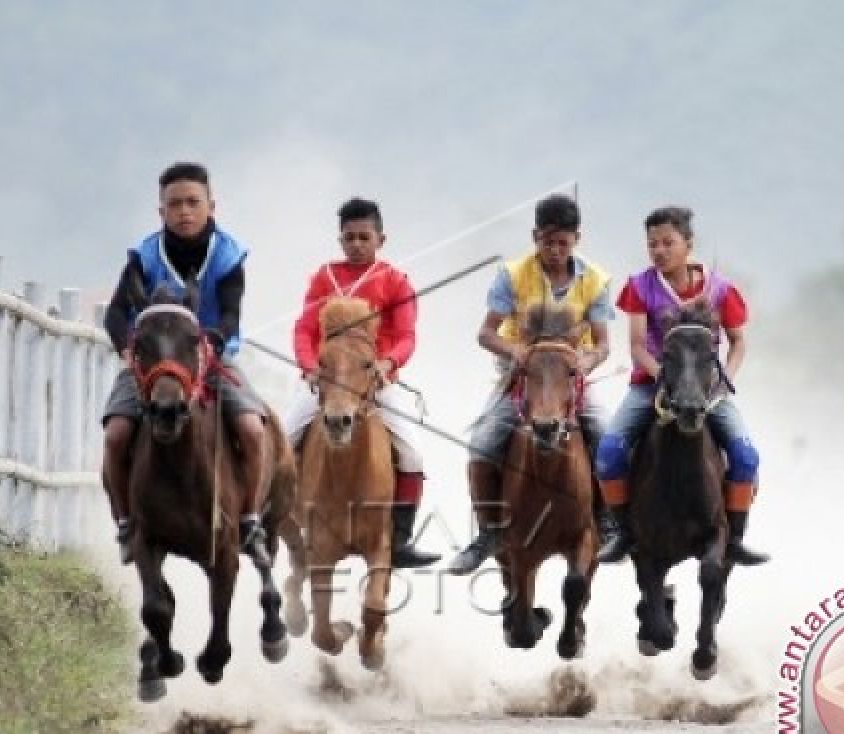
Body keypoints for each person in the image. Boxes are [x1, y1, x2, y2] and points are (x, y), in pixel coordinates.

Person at [100, 161, 272, 566]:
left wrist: (210, 342)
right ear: (161, 211)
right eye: (174, 204)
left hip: (211, 359)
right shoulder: (143, 256)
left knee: (251, 427)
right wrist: (126, 347)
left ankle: (248, 518)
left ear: (212, 206)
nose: (184, 212)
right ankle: (126, 522)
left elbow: (231, 313)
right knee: (117, 435)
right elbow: (115, 314)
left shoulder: (228, 255)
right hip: (153, 366)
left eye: (193, 202)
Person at [448, 193, 616, 575]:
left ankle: (607, 522)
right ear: (535, 237)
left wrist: (585, 362)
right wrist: (515, 352)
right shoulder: (513, 274)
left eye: (563, 242)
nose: (555, 250)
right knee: (482, 442)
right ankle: (488, 533)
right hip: (521, 376)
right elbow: (486, 333)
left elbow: (603, 344)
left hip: (571, 378)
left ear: (577, 240)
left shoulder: (596, 280)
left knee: (606, 435)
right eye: (547, 241)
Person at [594, 205, 768, 566]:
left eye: (667, 243)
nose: (658, 250)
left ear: (688, 244)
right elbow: (638, 345)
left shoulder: (721, 290)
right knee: (609, 451)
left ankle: (734, 538)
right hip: (652, 386)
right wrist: (664, 377)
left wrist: (724, 381)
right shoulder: (640, 286)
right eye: (652, 244)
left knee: (745, 456)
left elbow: (738, 342)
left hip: (707, 390)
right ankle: (624, 532)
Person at [286, 197, 440, 569]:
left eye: (363, 237)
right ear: (340, 240)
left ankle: (400, 540)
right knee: (284, 438)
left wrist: (389, 361)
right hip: (325, 380)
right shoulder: (324, 277)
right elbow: (305, 329)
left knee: (413, 454)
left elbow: (406, 336)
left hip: (376, 382)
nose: (356, 244)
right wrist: (308, 366)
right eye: (349, 237)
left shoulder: (395, 280)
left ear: (380, 239)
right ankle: (276, 521)